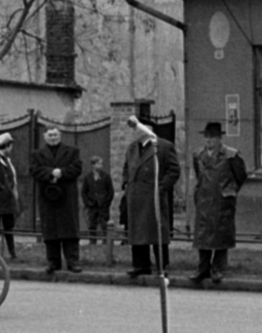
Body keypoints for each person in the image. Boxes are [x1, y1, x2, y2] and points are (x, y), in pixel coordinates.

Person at [190, 121, 248, 284]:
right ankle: (202, 269)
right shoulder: (198, 155)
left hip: (222, 200)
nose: (209, 140)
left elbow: (241, 176)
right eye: (206, 137)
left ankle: (218, 269)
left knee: (221, 235)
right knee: (203, 236)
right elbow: (198, 175)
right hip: (204, 200)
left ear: (219, 138)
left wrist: (229, 191)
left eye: (213, 137)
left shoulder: (231, 155)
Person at [122, 119, 181, 277]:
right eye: (137, 129)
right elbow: (126, 168)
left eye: (142, 128)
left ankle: (162, 266)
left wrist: (162, 187)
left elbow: (174, 170)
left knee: (157, 232)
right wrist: (126, 184)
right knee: (137, 232)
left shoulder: (163, 146)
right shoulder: (132, 147)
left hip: (154, 195)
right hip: (136, 196)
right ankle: (141, 265)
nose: (139, 131)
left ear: (150, 129)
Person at [29, 125, 83, 274]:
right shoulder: (37, 154)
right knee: (50, 231)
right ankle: (53, 262)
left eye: (55, 135)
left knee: (69, 231)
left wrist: (62, 172)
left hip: (67, 198)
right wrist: (51, 173)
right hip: (48, 197)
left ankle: (73, 262)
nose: (53, 138)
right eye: (50, 135)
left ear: (60, 136)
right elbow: (34, 171)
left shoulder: (72, 151)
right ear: (45, 137)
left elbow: (77, 168)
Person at [82, 155, 114, 233]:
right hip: (92, 205)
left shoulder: (106, 176)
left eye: (101, 164)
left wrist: (106, 202)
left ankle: (105, 242)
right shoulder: (88, 177)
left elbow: (110, 191)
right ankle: (92, 242)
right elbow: (84, 191)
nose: (101, 165)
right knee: (92, 225)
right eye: (99, 163)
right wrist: (87, 203)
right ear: (93, 165)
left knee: (104, 225)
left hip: (103, 205)